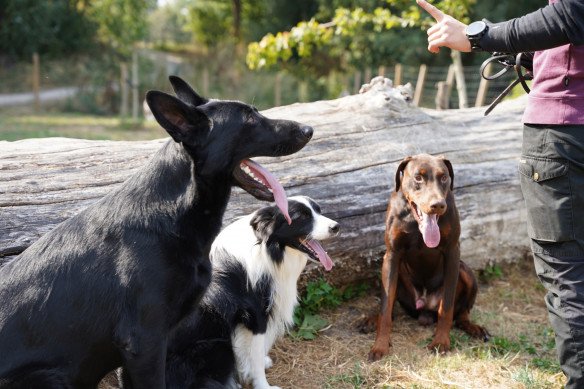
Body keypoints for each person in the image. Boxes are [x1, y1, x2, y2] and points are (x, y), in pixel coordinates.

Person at [416, 0, 584, 387]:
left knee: (569, 272)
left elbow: (571, 14)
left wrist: (477, 36)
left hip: (566, 128)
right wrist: (538, 57)